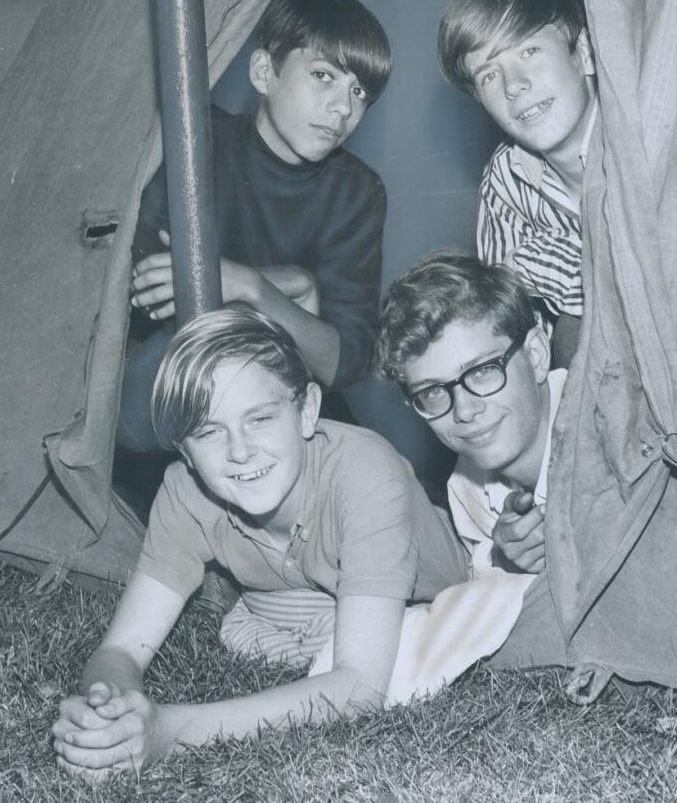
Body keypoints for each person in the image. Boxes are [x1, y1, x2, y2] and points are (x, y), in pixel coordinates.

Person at [52, 306, 468, 779]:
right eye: (209, 432)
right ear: (185, 452)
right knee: (265, 618)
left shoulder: (366, 473)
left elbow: (360, 687)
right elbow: (120, 651)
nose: (239, 451)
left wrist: (169, 730)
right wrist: (109, 711)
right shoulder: (186, 491)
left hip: (437, 587)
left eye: (260, 419)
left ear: (307, 410)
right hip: (308, 588)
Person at [117, 0, 392, 463]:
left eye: (359, 92)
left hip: (282, 388)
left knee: (365, 464)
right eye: (324, 76)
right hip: (175, 383)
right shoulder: (194, 137)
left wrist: (250, 286)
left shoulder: (357, 191)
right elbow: (153, 291)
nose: (343, 109)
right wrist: (295, 288)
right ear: (264, 72)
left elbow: (343, 361)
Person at [373, 249, 567, 582]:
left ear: (536, 355)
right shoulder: (467, 490)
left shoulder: (608, 422)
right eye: (432, 392)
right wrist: (507, 565)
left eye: (481, 371)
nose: (464, 410)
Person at [437, 0, 596, 366]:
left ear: (585, 54)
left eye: (529, 51)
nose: (514, 85)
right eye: (489, 75)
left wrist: (575, 276)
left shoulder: (648, 141)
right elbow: (514, 335)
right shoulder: (505, 181)